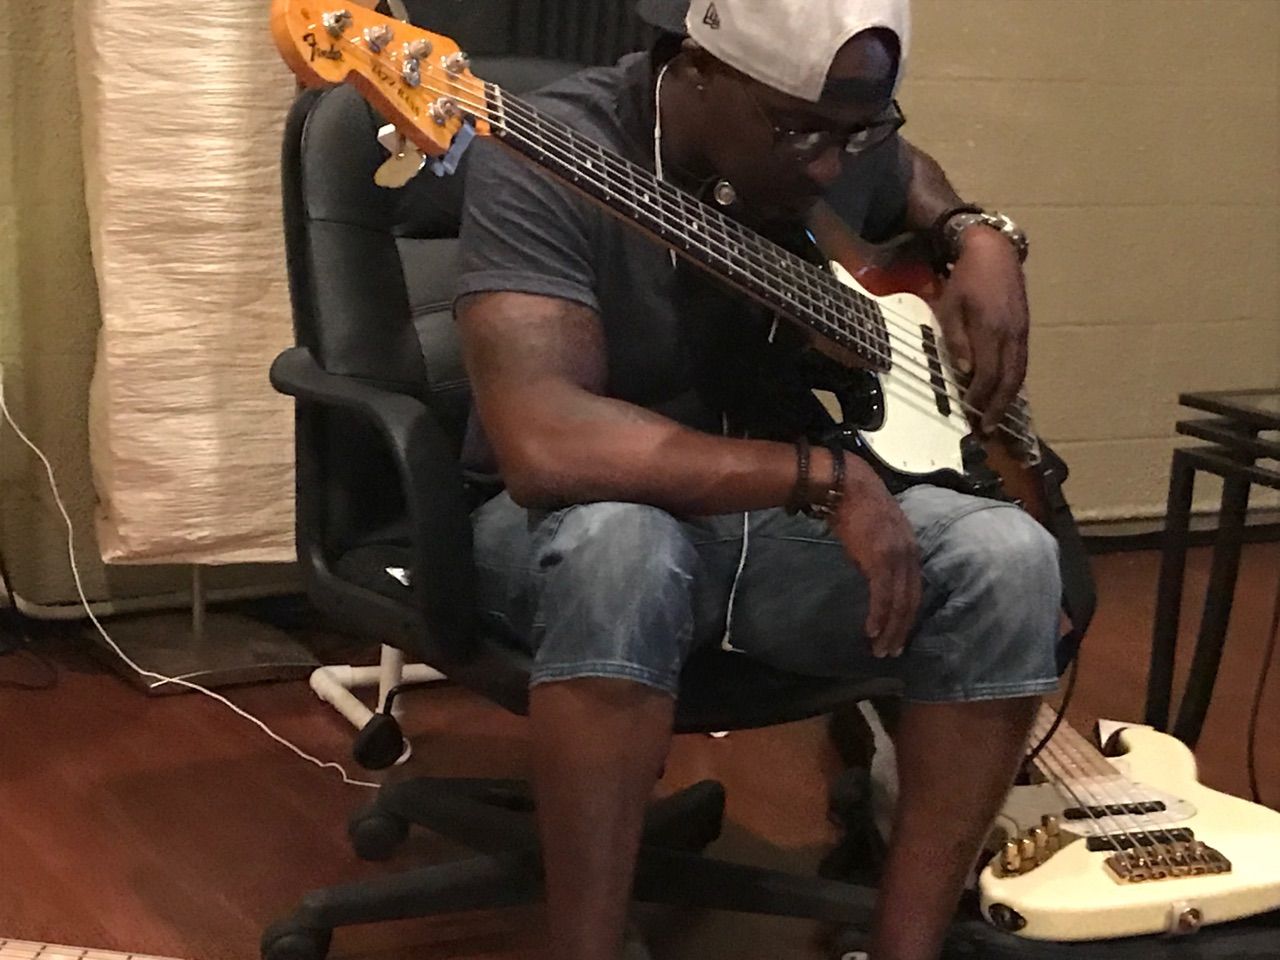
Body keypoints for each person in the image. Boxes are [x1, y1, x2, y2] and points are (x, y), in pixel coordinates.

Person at [452, 1, 1061, 958]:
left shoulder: (833, 142)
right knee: (623, 545)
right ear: (698, 69)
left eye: (855, 132)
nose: (828, 168)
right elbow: (545, 440)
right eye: (798, 132)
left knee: (1010, 556)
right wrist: (822, 477)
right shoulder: (550, 148)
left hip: (775, 522)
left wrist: (976, 233)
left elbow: (904, 172)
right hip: (565, 523)